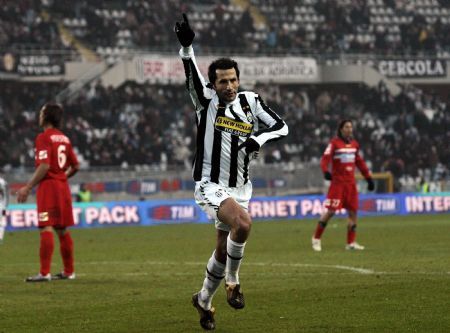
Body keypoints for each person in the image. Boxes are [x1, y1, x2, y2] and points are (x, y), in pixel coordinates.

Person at [175, 14, 289, 331]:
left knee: (223, 250)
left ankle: (203, 300)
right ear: (213, 84)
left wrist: (258, 138)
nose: (229, 85)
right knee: (244, 223)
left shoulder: (251, 101)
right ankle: (234, 282)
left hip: (241, 188)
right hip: (211, 185)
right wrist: (186, 48)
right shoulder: (205, 102)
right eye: (223, 81)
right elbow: (190, 76)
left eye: (233, 79)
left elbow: (281, 126)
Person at [16, 103, 80, 282]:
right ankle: (69, 271)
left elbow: (44, 166)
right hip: (62, 187)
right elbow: (76, 166)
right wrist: (62, 177)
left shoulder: (44, 137)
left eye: (41, 112)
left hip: (49, 188)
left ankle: (44, 273)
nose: (39, 116)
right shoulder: (64, 139)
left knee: (46, 226)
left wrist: (27, 187)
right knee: (62, 229)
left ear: (46, 117)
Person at [312, 119, 374, 252]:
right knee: (330, 212)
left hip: (350, 184)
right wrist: (326, 172)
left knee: (353, 212)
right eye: (347, 127)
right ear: (341, 129)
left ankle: (350, 243)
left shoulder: (354, 145)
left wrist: (368, 178)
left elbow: (360, 162)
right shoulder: (334, 143)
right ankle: (316, 239)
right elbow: (325, 159)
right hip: (338, 184)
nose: (349, 129)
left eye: (351, 127)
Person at [0, 176, 8, 243]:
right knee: (2, 222)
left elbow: (4, 194)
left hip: (2, 206)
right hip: (3, 206)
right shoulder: (3, 181)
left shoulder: (2, 182)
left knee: (2, 222)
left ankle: (0, 238)